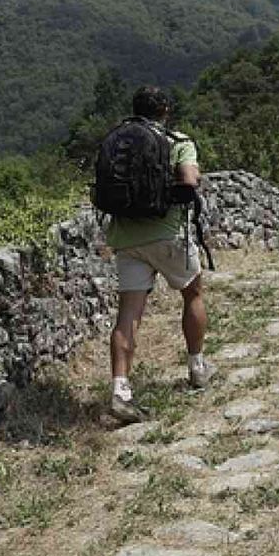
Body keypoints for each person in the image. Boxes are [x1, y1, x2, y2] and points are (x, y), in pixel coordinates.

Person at [104, 87, 216, 424]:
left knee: (128, 314)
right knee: (192, 293)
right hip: (167, 234)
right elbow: (189, 181)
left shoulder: (118, 140)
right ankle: (197, 367)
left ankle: (120, 389)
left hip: (126, 236)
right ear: (165, 110)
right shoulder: (177, 141)